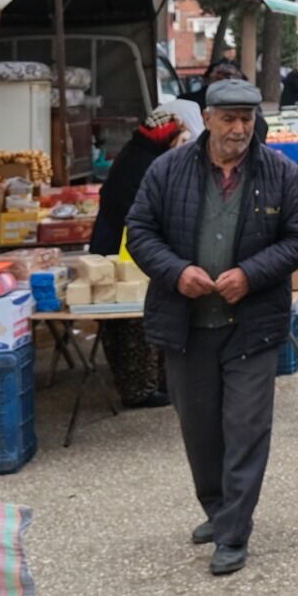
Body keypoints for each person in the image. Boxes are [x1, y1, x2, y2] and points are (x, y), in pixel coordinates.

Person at [123, 80, 298, 577]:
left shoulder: (279, 172)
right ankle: (217, 509)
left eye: (246, 119)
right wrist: (176, 272)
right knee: (200, 429)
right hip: (188, 325)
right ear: (207, 119)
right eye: (228, 119)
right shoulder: (168, 170)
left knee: (247, 428)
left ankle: (233, 531)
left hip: (252, 326)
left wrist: (251, 274)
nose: (238, 129)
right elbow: (140, 231)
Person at [87, 105, 188, 408]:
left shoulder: (137, 154)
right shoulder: (145, 163)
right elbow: (140, 212)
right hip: (122, 251)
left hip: (117, 245)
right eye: (180, 140)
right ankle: (139, 389)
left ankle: (147, 383)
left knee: (132, 320)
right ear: (168, 138)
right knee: (133, 321)